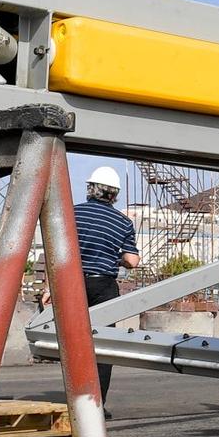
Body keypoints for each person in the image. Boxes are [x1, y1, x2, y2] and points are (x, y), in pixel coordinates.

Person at [71, 165, 140, 407]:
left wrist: (49, 288)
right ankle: (96, 405)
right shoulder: (123, 222)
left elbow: (56, 251)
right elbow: (132, 261)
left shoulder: (72, 213)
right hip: (103, 286)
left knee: (73, 342)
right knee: (101, 346)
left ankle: (74, 400)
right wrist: (116, 256)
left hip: (73, 283)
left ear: (90, 189)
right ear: (114, 195)